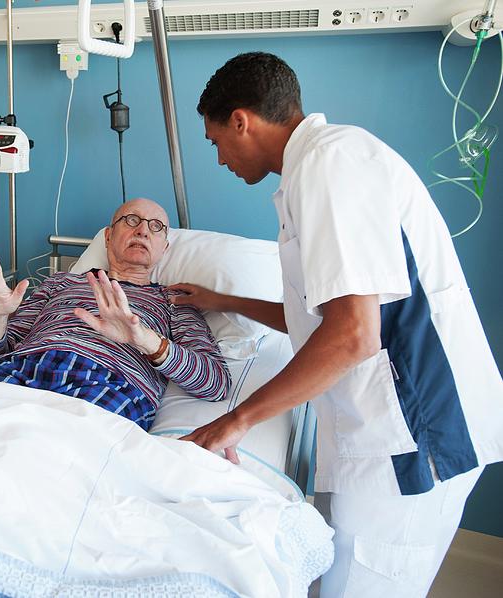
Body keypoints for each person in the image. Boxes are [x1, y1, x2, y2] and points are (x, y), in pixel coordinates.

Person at [174, 52, 503, 596]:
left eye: (214, 141)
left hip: (415, 439)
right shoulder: (321, 167)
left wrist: (236, 421)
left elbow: (352, 333)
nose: (218, 159)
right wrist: (222, 299)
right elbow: (320, 320)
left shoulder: (332, 165)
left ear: (241, 120)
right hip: (384, 432)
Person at [0, 198, 230, 429]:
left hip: (108, 384)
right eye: (131, 220)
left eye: (156, 227)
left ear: (164, 249)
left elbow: (216, 383)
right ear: (107, 237)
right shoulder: (61, 282)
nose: (143, 231)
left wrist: (145, 339)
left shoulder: (173, 301)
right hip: (22, 369)